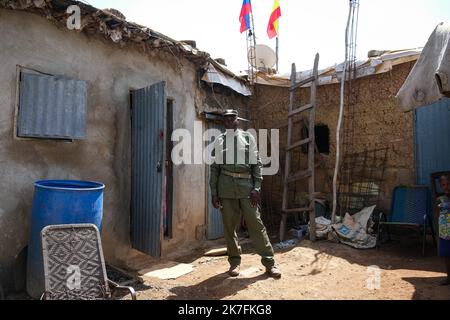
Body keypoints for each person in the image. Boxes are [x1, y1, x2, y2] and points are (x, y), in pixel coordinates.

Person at [209, 109, 281, 278]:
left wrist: (257, 187)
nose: (228, 122)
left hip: (246, 189)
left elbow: (257, 164)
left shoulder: (248, 138)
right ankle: (234, 262)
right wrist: (214, 193)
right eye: (225, 119)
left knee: (256, 224)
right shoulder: (219, 141)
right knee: (229, 227)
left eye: (231, 119)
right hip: (226, 189)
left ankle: (270, 263)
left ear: (237, 121)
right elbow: (215, 169)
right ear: (223, 122)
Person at [437, 174, 450, 285]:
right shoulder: (440, 199)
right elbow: (438, 215)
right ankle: (449, 277)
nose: (446, 187)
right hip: (445, 232)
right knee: (446, 255)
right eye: (443, 185)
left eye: (448, 184)